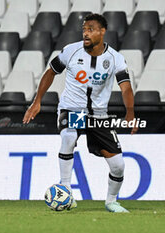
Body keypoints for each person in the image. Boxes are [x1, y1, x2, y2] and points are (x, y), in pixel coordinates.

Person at [23, 13, 137, 212]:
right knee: (68, 137)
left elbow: (126, 87)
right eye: (84, 29)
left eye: (90, 29)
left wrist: (130, 114)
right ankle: (66, 190)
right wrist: (37, 101)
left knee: (118, 165)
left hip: (98, 115)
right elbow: (50, 72)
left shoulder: (115, 58)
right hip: (72, 108)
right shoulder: (71, 51)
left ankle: (111, 202)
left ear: (102, 32)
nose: (85, 33)